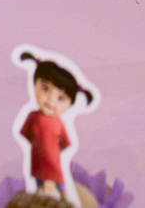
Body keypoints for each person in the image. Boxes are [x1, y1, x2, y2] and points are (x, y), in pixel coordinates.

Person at [15, 50, 96, 200]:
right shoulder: (32, 117)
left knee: (59, 184)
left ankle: (64, 199)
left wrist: (51, 149)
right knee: (40, 186)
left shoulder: (58, 123)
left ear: (69, 104)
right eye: (45, 89)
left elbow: (65, 143)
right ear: (34, 84)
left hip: (54, 161)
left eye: (61, 98)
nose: (51, 101)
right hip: (37, 161)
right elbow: (26, 135)